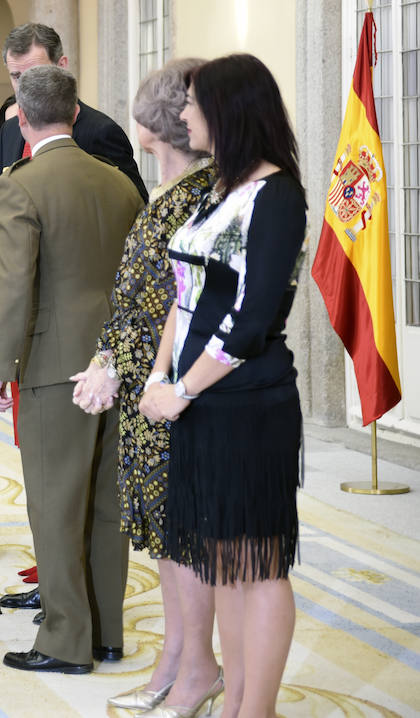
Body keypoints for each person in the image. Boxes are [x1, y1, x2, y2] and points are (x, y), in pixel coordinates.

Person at [139, 54, 307, 718]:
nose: (183, 115)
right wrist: (160, 376)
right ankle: (236, 700)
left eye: (193, 104)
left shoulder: (277, 194)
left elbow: (250, 317)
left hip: (247, 404)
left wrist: (181, 391)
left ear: (228, 111)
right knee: (223, 565)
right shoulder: (220, 191)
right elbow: (186, 297)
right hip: (199, 404)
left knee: (257, 565)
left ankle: (254, 709)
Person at [69, 59, 221, 713]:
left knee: (186, 537)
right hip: (143, 386)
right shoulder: (171, 190)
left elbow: (183, 307)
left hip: (178, 390)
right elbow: (134, 297)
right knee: (163, 536)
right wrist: (105, 357)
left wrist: (136, 371)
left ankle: (200, 668)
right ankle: (176, 657)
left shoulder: (206, 193)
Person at [0, 65, 143, 674]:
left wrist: (0, 365)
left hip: (52, 365)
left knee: (53, 504)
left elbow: (16, 283)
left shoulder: (20, 184)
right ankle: (106, 633)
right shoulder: (120, 185)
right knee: (107, 503)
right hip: (115, 360)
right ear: (75, 114)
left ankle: (63, 641)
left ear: (21, 120)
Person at [0, 21, 148, 346]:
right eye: (15, 77)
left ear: (62, 67)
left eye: (34, 74)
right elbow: (4, 223)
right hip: (16, 312)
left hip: (77, 317)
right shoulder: (10, 130)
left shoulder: (99, 132)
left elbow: (134, 222)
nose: (23, 88)